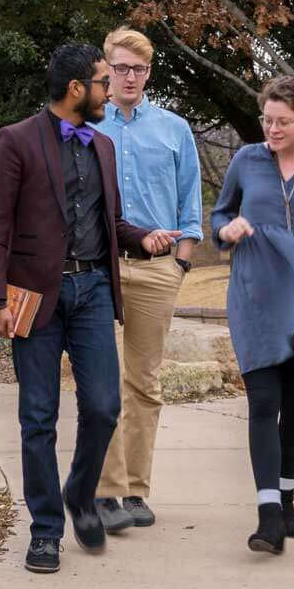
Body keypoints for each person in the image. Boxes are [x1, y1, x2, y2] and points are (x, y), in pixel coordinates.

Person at [0, 44, 181, 574]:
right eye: (102, 82)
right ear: (76, 89)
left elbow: (110, 223)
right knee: (37, 417)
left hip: (93, 290)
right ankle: (46, 530)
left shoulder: (103, 146)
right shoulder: (16, 140)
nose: (109, 91)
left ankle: (80, 492)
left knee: (104, 407)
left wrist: (142, 238)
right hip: (35, 297)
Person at [209, 76, 294, 555]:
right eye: (266, 120)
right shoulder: (247, 160)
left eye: (282, 122)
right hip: (255, 296)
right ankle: (268, 514)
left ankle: (286, 499)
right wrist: (227, 230)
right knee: (263, 402)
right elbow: (220, 214)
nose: (271, 129)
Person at [91, 28, 203, 530]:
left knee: (144, 383)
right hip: (101, 268)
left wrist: (181, 263)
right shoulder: (88, 126)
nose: (129, 77)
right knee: (104, 381)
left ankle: (136, 490)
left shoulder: (174, 129)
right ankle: (106, 491)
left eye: (138, 69)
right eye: (120, 68)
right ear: (107, 70)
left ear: (149, 73)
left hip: (158, 272)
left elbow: (190, 202)